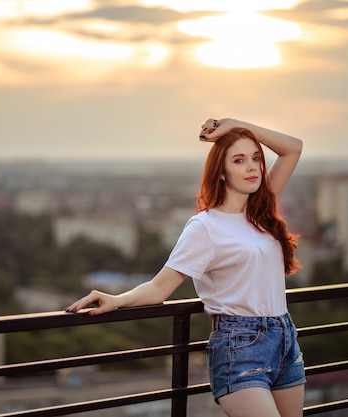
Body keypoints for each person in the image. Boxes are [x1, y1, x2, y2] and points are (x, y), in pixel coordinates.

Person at [66, 117, 305, 417]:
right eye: (239, 160)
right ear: (221, 172)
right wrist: (117, 300)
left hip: (284, 339)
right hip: (240, 347)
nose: (252, 167)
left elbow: (293, 149)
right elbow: (160, 286)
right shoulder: (204, 227)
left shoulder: (261, 212)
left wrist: (235, 126)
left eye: (256, 158)